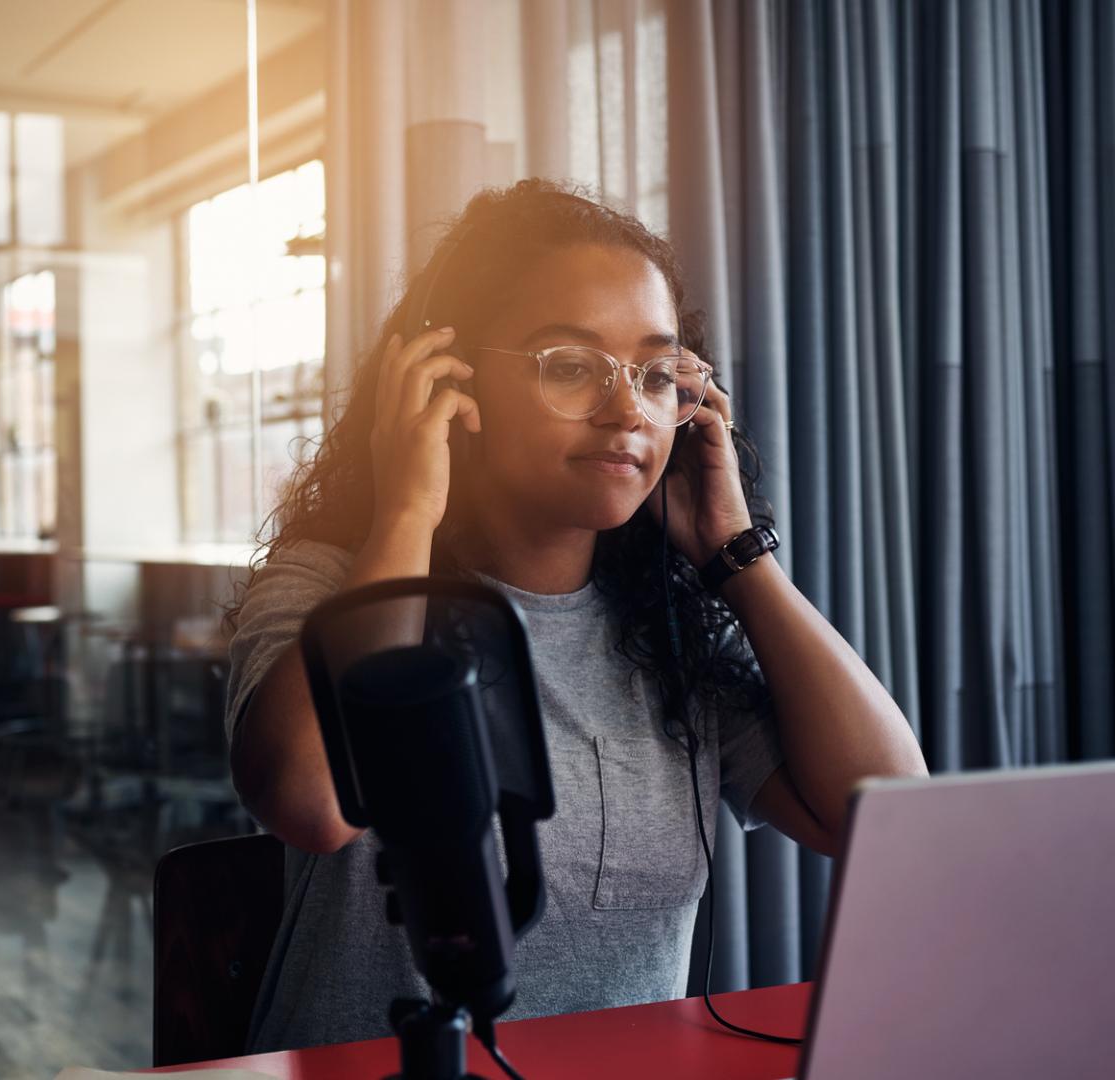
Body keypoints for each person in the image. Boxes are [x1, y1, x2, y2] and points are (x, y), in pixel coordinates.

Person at [222, 179, 927, 1052]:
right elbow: (310, 800)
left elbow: (887, 815)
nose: (629, 409)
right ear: (451, 385)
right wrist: (407, 512)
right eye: (569, 365)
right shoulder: (327, 586)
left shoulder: (666, 633)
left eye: (657, 374)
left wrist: (736, 553)